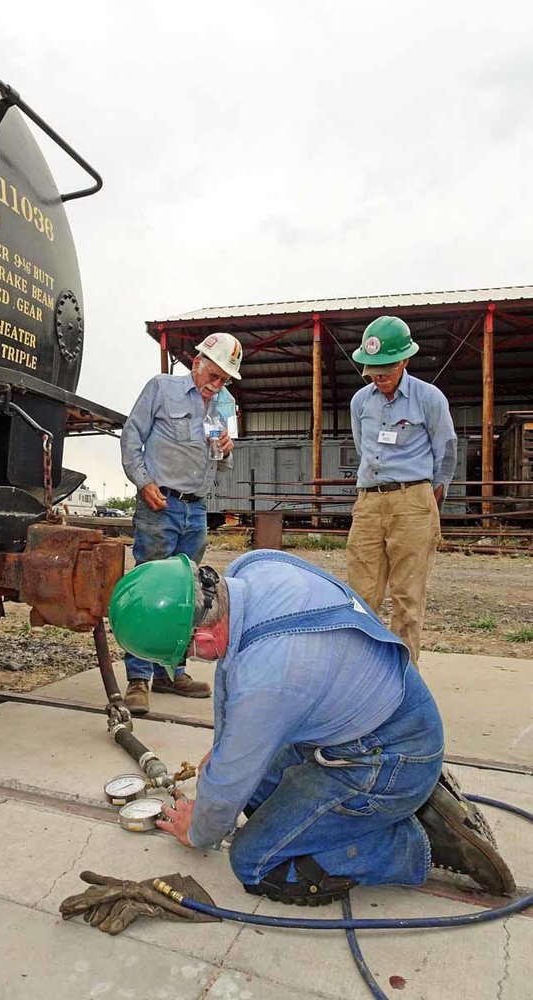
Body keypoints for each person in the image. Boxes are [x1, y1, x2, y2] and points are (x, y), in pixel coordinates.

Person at [107, 549, 515, 905]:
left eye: (189, 652)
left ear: (204, 632)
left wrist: (199, 830)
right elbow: (233, 680)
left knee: (255, 861)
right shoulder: (254, 569)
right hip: (388, 720)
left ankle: (412, 842)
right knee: (253, 796)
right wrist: (226, 752)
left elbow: (231, 769)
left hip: (386, 757)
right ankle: (408, 798)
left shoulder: (268, 676)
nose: (194, 659)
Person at [119, 332, 243, 715]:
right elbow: (131, 437)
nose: (217, 385)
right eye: (214, 375)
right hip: (161, 506)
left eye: (224, 379)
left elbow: (220, 467)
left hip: (195, 511)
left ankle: (171, 672)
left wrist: (226, 450)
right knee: (147, 589)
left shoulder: (222, 408)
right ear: (197, 363)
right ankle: (139, 678)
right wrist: (144, 483)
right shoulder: (162, 389)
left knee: (188, 595)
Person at [347, 316, 457, 667]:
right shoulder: (360, 402)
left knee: (407, 594)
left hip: (414, 501)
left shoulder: (429, 398)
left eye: (386, 367)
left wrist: (426, 497)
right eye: (373, 368)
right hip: (369, 502)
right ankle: (363, 670)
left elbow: (447, 452)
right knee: (359, 593)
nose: (379, 376)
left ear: (405, 361)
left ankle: (405, 675)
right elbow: (363, 448)